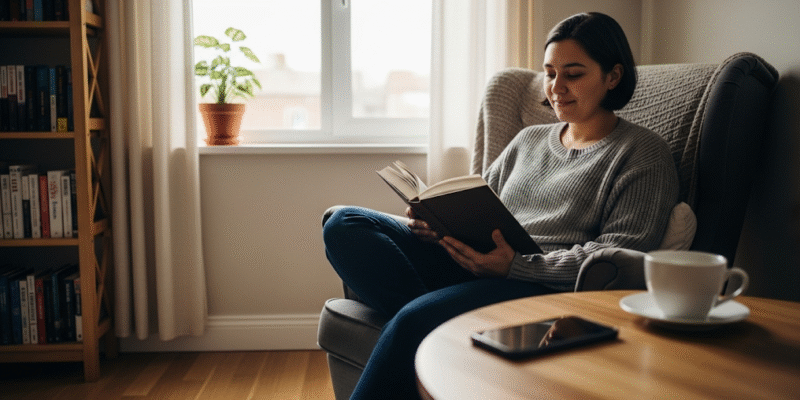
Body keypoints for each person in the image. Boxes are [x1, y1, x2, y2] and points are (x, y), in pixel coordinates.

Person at [322, 12, 678, 400]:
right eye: (550, 73)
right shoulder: (529, 140)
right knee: (344, 222)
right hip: (472, 264)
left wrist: (516, 265)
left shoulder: (643, 153)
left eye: (573, 74)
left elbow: (621, 255)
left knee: (411, 320)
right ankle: (437, 326)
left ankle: (424, 324)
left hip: (531, 284)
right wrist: (435, 224)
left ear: (612, 76)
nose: (557, 87)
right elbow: (478, 200)